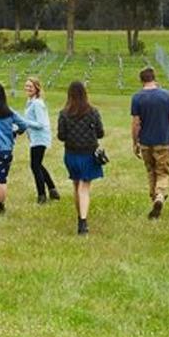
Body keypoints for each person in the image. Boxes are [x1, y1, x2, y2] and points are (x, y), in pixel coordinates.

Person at [57, 80, 104, 235]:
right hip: (88, 154)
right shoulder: (93, 112)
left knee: (77, 186)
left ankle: (80, 215)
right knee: (84, 187)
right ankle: (83, 222)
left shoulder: (64, 114)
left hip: (71, 154)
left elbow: (61, 136)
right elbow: (100, 133)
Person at [131, 66, 169, 219]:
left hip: (146, 141)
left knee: (150, 170)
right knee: (162, 171)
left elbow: (136, 123)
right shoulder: (166, 96)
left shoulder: (137, 98)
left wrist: (135, 142)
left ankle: (155, 198)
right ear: (154, 78)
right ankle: (159, 196)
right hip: (163, 141)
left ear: (141, 80)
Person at [0, 82, 28, 215]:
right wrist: (15, 133)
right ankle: (1, 206)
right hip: (5, 150)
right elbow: (24, 125)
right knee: (1, 179)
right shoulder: (9, 112)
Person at [23, 77, 59, 203]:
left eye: (30, 86)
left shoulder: (37, 103)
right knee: (37, 164)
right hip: (35, 138)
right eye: (26, 86)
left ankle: (42, 196)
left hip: (40, 138)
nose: (27, 88)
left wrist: (24, 122)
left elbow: (40, 123)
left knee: (35, 165)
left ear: (36, 88)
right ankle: (53, 190)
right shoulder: (30, 102)